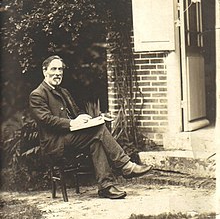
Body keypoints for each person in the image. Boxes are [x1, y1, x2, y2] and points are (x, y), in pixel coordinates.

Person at [29, 55, 152, 199]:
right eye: (54, 69)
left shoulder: (63, 91)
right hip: (55, 144)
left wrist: (95, 118)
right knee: (99, 131)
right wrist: (72, 123)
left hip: (71, 138)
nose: (58, 73)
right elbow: (46, 120)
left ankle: (106, 187)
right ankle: (126, 166)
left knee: (96, 140)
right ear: (45, 71)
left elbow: (78, 113)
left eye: (60, 69)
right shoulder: (37, 95)